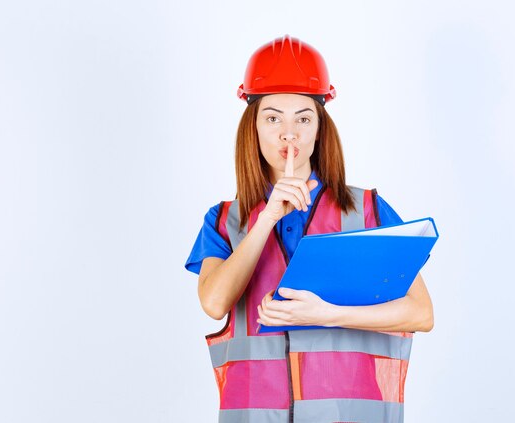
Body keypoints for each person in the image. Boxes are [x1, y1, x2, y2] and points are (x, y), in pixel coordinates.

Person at [185, 34, 434, 423]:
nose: (289, 133)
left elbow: (421, 312)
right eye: (273, 118)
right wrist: (267, 216)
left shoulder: (366, 210)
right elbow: (214, 302)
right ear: (253, 127)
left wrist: (328, 313)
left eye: (303, 117)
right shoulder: (224, 220)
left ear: (320, 128)